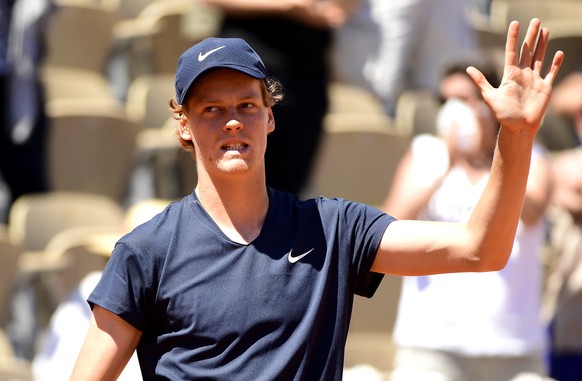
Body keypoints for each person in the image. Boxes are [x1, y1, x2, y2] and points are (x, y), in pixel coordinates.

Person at [70, 18, 563, 380]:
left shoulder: (332, 227)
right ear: (183, 126)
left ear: (271, 116)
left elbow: (482, 250)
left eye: (247, 105)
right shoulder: (146, 251)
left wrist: (515, 136)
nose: (233, 121)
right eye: (211, 110)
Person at [382, 57, 553, 381]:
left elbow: (532, 213)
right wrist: (446, 162)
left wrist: (500, 156)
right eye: (444, 101)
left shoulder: (531, 155)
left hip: (513, 346)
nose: (451, 109)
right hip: (433, 343)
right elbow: (389, 224)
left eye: (463, 100)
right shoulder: (426, 153)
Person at [199, 0, 357, 195]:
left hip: (305, 71)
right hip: (245, 65)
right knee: (237, 185)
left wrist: (327, 10)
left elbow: (339, 9)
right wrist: (286, 5)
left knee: (288, 188)